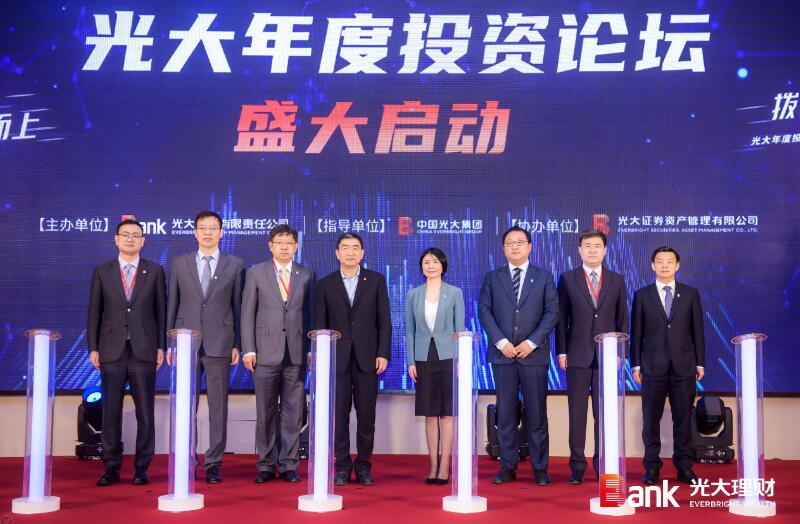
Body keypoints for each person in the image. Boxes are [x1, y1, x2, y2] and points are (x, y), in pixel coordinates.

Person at [166, 210, 244, 484]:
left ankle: (213, 463)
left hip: (220, 342)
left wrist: (237, 343)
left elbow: (238, 307)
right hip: (185, 341)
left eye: (213, 228)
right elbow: (172, 304)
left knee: (218, 407)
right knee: (186, 406)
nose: (207, 232)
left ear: (221, 233)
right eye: (202, 228)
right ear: (195, 232)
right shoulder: (179, 263)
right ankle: (187, 459)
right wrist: (170, 343)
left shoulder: (235, 264)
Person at [87, 219, 166, 486]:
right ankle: (111, 467)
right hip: (111, 350)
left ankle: (141, 468)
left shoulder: (154, 271)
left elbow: (161, 312)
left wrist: (161, 346)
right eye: (125, 235)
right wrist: (93, 347)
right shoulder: (103, 271)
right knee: (110, 413)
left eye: (136, 235)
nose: (130, 239)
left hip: (144, 349)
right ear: (116, 239)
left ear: (143, 241)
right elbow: (94, 312)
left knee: (145, 413)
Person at [478, 225, 558, 486]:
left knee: (537, 414)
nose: (515, 246)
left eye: (520, 242)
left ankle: (540, 468)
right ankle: (507, 466)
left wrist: (531, 342)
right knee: (506, 414)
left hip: (534, 356)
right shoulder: (493, 277)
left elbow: (552, 313)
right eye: (510, 243)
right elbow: (484, 311)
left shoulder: (544, 277)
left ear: (530, 247)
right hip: (503, 356)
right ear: (503, 248)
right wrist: (501, 342)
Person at [315, 233, 391, 486]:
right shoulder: (325, 284)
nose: (350, 252)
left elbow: (384, 321)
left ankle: (364, 467)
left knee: (366, 417)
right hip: (336, 360)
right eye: (345, 248)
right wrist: (321, 358)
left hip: (368, 358)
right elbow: (319, 325)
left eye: (355, 248)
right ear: (337, 253)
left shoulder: (376, 280)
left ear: (362, 253)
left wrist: (383, 353)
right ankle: (342, 467)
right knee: (339, 417)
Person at [241, 225, 315, 484]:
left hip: (296, 353)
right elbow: (247, 313)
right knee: (266, 412)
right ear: (270, 246)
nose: (284, 247)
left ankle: (288, 464)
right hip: (264, 353)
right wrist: (249, 348)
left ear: (296, 246)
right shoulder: (256, 273)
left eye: (289, 242)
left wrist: (310, 350)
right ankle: (265, 464)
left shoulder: (306, 275)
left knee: (293, 413)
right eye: (279, 242)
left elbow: (311, 316)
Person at [556, 229, 628, 484]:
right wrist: (561, 351)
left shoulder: (617, 280)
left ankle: (603, 465)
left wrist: (620, 352)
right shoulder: (567, 278)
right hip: (577, 355)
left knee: (604, 414)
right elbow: (561, 319)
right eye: (587, 246)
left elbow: (623, 319)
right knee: (577, 414)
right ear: (580, 250)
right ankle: (577, 466)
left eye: (597, 246)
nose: (592, 250)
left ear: (605, 250)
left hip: (607, 357)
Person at [631, 246, 705, 485]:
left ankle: (684, 467)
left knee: (683, 419)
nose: (664, 265)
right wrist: (635, 365)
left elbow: (698, 331)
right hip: (652, 367)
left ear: (677, 265)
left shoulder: (690, 294)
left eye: (669, 261)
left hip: (684, 366)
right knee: (650, 420)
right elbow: (637, 332)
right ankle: (652, 467)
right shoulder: (642, 295)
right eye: (660, 261)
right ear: (652, 265)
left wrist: (700, 363)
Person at [406, 248, 465, 485]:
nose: (430, 266)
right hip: (423, 358)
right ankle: (432, 465)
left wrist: (461, 360)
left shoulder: (455, 293)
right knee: (430, 414)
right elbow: (410, 331)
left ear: (443, 265)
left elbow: (459, 330)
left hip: (448, 356)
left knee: (447, 414)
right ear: (421, 267)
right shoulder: (413, 295)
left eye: (435, 262)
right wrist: (411, 361)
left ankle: (444, 466)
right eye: (426, 262)